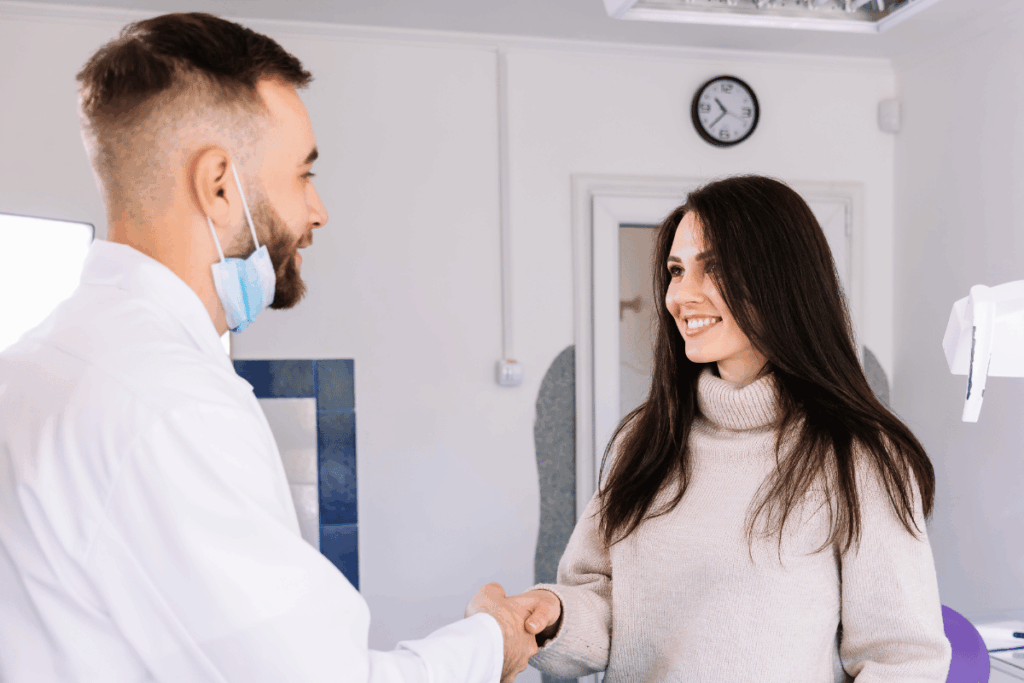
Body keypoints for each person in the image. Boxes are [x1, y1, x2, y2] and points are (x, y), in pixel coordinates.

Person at [0, 13, 556, 683]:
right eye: (302, 174)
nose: (317, 211)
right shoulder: (174, 404)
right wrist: (493, 642)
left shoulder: (32, 366)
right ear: (218, 185)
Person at [509, 176, 953, 681]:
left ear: (782, 280)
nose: (681, 295)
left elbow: (904, 661)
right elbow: (613, 606)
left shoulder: (857, 457)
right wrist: (553, 614)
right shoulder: (646, 440)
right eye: (677, 271)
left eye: (714, 267)